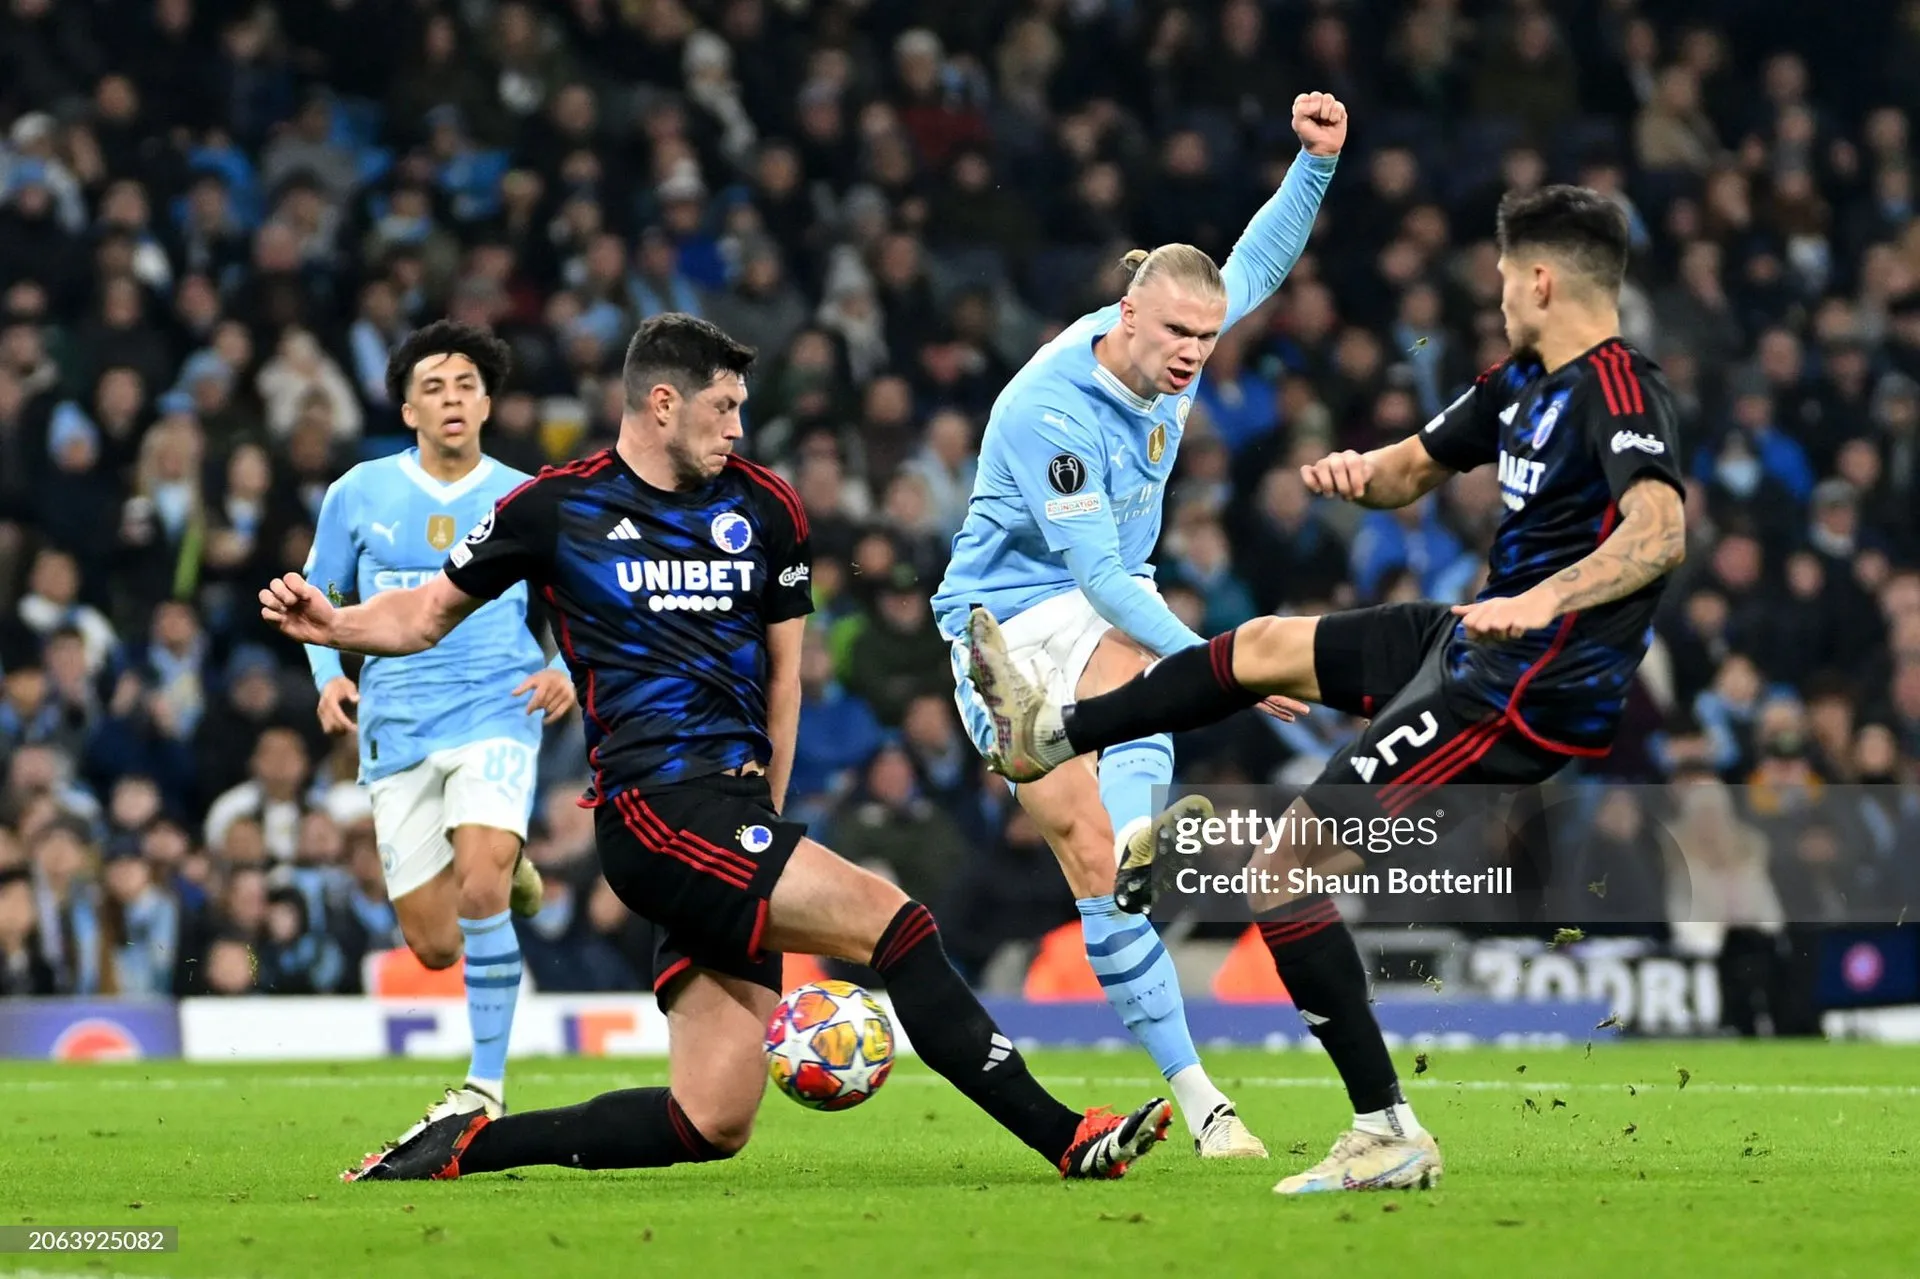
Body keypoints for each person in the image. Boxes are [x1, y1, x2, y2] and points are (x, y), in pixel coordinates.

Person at [262, 314, 1170, 1183]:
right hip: (652, 809)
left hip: (732, 814)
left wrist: (766, 819)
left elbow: (786, 681)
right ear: (662, 403)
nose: (739, 426)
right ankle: (1065, 1137)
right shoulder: (553, 507)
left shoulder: (767, 506)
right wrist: (335, 622)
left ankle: (468, 1145)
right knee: (899, 925)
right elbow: (424, 614)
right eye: (722, 407)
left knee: (707, 1121)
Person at [965, 185, 1688, 1194]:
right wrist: (1358, 471)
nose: (1494, 291)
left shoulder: (1619, 388)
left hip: (1526, 687)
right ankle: (1055, 732)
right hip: (1473, 646)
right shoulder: (1525, 379)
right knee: (1261, 643)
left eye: (1500, 276)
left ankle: (1387, 1127)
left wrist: (1545, 601)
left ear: (1539, 278)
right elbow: (1416, 468)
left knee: (1280, 870)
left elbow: (1659, 532)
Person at [928, 91, 1347, 1159]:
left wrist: (1314, 166)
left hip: (1095, 603)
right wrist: (1226, 667)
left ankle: (1201, 1095)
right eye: (1174, 334)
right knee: (1110, 756)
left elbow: (1256, 264)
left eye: (1206, 338)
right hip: (1005, 622)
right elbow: (1104, 582)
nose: (1193, 356)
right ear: (1126, 317)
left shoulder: (1186, 334)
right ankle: (1191, 1068)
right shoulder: (1048, 410)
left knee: (1109, 844)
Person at [302, 321, 578, 1138]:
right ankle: (511, 863)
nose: (452, 399)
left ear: (488, 402)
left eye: (465, 385)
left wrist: (565, 667)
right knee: (432, 943)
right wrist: (330, 682)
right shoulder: (357, 491)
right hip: (397, 726)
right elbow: (318, 598)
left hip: (498, 708)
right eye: (434, 387)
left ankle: (484, 1086)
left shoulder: (528, 497)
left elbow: (581, 603)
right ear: (407, 407)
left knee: (481, 885)